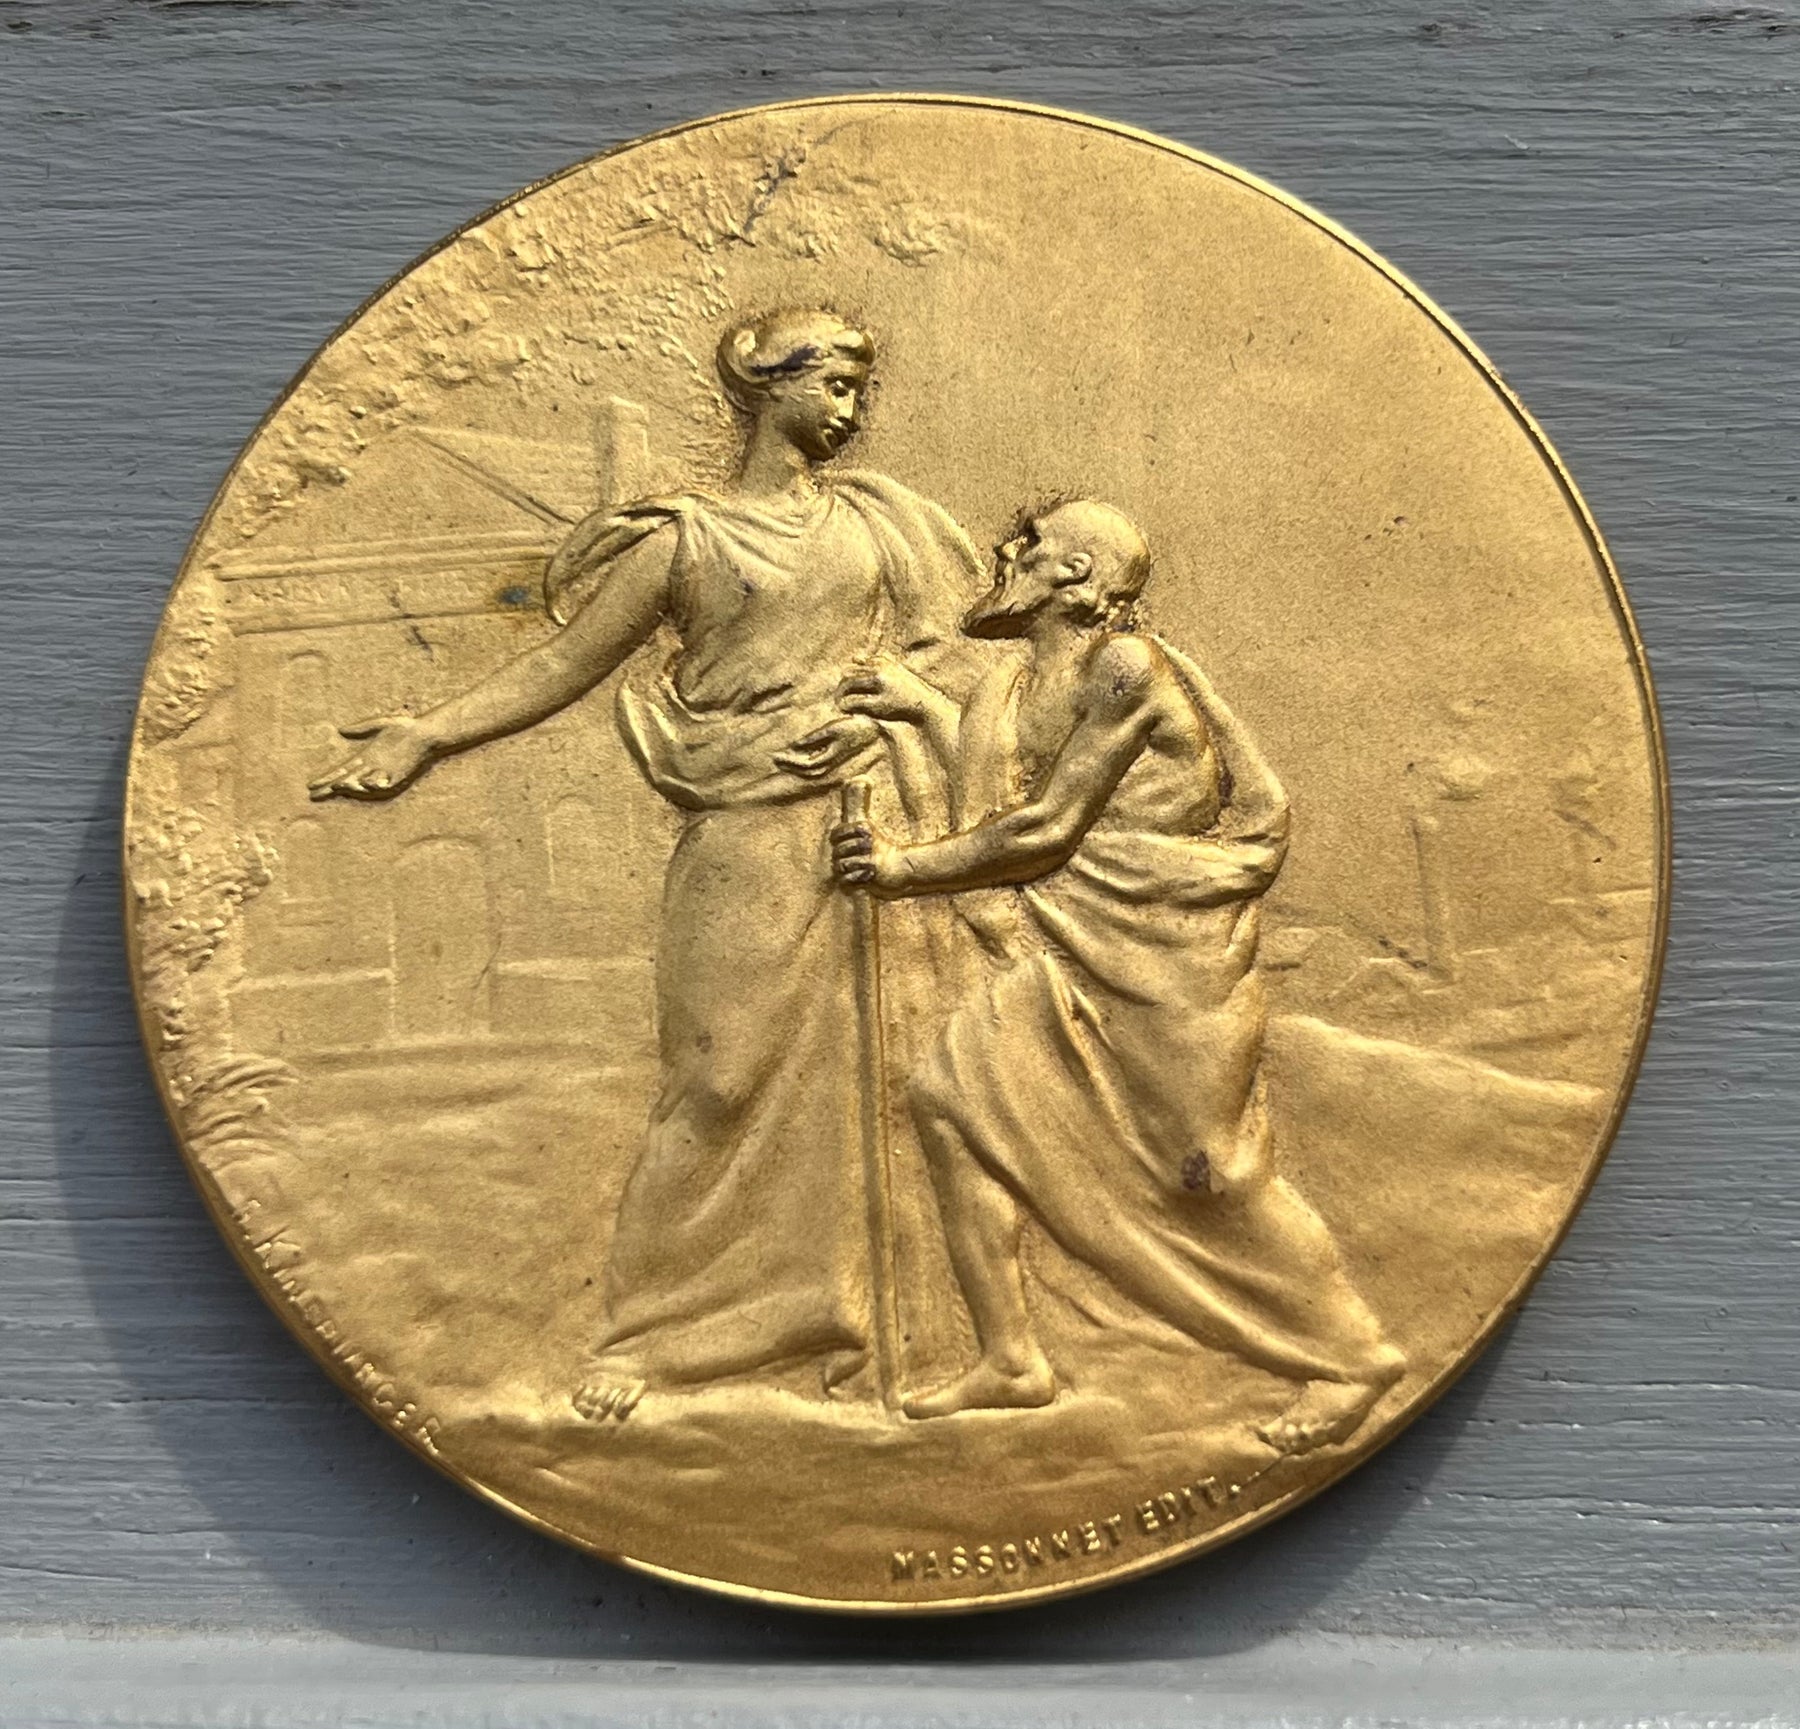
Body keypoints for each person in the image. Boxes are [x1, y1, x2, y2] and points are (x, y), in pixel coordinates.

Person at [311, 309, 984, 1417]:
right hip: (741, 833)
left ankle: (850, 1324)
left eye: (862, 389)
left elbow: (963, 663)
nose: (854, 410)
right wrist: (426, 732)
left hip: (867, 825)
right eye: (835, 384)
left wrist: (894, 713)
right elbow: (565, 663)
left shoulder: (880, 524)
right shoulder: (686, 542)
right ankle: (650, 1333)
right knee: (717, 1080)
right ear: (769, 389)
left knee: (875, 1079)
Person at [831, 500, 1406, 1454]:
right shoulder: (1022, 681)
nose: (1008, 548)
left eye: (1032, 543)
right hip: (1076, 950)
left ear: (1077, 577)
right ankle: (1011, 1357)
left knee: (1211, 1171)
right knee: (949, 1098)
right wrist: (924, 708)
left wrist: (902, 868)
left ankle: (1353, 1356)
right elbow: (1015, 772)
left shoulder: (1126, 666)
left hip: (1166, 954)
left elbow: (1047, 828)